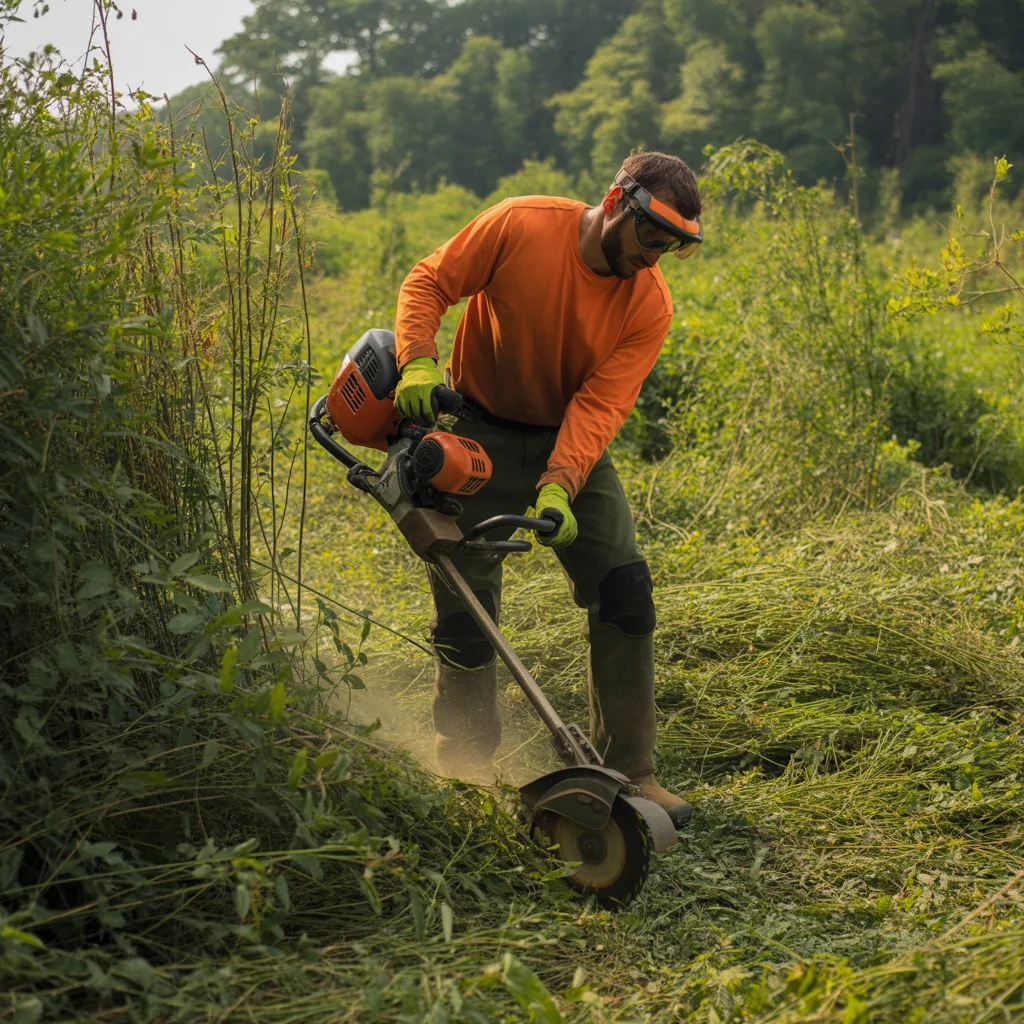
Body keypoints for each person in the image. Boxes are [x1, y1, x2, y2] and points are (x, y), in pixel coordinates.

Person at [393, 151, 703, 827]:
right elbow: (429, 282)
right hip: (477, 427)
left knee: (624, 588)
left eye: (672, 246)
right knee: (466, 603)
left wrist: (560, 486)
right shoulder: (522, 225)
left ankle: (634, 773)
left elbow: (600, 407)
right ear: (617, 202)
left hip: (568, 437)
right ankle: (467, 767)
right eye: (651, 235)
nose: (655, 257)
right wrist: (416, 358)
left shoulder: (647, 302)